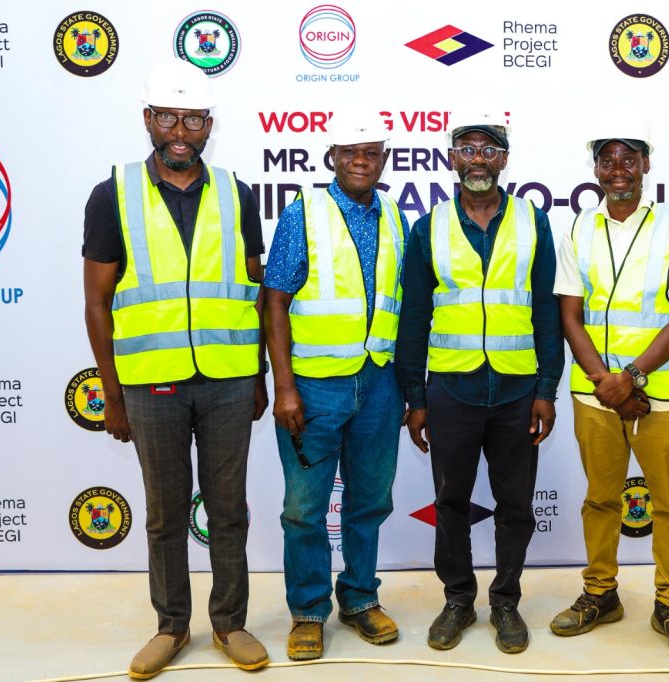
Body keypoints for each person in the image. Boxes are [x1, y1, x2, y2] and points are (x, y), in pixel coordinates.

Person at [82, 59, 269, 678]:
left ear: (209, 124)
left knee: (229, 511)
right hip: (151, 385)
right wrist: (112, 396)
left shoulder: (237, 193)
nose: (180, 131)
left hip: (228, 380)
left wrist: (260, 377)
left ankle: (230, 623)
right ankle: (170, 627)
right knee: (164, 515)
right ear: (148, 120)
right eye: (168, 117)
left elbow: (253, 291)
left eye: (192, 119)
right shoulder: (113, 194)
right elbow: (97, 303)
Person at [395, 113, 564, 654]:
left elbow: (548, 312)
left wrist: (546, 390)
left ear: (504, 160)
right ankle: (458, 599)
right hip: (451, 390)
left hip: (517, 392)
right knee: (451, 501)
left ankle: (506, 601)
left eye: (489, 150)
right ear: (452, 159)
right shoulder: (429, 227)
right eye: (467, 149)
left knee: (516, 505)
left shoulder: (533, 222)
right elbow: (414, 318)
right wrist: (415, 397)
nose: (478, 160)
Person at [549, 129, 669, 661]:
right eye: (607, 159)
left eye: (629, 158)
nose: (618, 168)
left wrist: (632, 377)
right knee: (600, 499)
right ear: (596, 169)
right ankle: (600, 594)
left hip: (663, 394)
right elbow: (570, 316)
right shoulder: (579, 226)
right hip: (596, 394)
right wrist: (609, 384)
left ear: (645, 165)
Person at [263, 114, 408, 661]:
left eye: (371, 152)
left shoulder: (394, 215)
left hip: (379, 383)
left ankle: (360, 598)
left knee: (369, 500)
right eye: (350, 151)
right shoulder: (304, 212)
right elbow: (275, 300)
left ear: (384, 158)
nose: (360, 161)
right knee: (305, 508)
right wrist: (284, 386)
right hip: (314, 387)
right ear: (332, 157)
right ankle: (307, 610)